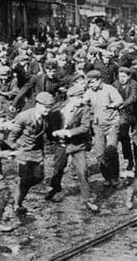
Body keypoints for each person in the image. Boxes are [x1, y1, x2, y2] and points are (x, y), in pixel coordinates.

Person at [45, 84, 98, 212]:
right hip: (61, 145)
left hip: (77, 144)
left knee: (82, 171)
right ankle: (55, 189)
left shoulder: (85, 109)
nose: (82, 100)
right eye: (79, 97)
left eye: (82, 96)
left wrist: (68, 133)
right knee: (58, 169)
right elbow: (48, 123)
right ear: (71, 97)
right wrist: (53, 134)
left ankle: (87, 199)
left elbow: (85, 127)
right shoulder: (58, 107)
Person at [7, 92, 55, 214]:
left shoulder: (47, 117)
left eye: (50, 107)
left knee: (38, 177)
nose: (48, 110)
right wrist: (13, 150)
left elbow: (47, 133)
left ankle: (18, 195)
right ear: (38, 104)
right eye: (46, 107)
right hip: (23, 152)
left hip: (37, 152)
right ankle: (17, 204)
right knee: (24, 179)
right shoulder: (23, 117)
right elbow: (11, 137)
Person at [83, 70, 123, 186]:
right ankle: (107, 178)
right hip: (98, 126)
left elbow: (119, 100)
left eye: (92, 82)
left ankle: (115, 177)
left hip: (112, 124)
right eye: (88, 83)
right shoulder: (89, 92)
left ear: (99, 80)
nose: (90, 85)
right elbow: (83, 101)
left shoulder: (109, 89)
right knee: (100, 154)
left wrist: (112, 105)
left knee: (111, 151)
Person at [113, 67, 137, 178]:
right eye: (120, 77)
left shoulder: (134, 84)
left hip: (135, 113)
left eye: (124, 76)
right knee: (124, 136)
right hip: (123, 113)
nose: (122, 79)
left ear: (129, 77)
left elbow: (133, 97)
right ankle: (129, 160)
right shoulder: (115, 85)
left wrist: (121, 104)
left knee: (136, 136)